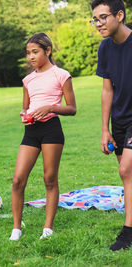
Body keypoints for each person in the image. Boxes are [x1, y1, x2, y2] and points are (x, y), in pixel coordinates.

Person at [9, 33, 77, 241]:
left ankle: (48, 228)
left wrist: (50, 107)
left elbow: (72, 108)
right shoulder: (27, 80)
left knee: (49, 179)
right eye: (28, 53)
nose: (31, 56)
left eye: (35, 52)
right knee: (17, 180)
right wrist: (24, 115)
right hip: (31, 131)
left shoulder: (61, 75)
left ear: (47, 51)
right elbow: (25, 107)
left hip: (51, 130)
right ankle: (16, 228)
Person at [91, 0, 132, 251]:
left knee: (126, 170)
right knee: (129, 176)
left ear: (120, 14)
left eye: (103, 17)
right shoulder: (105, 48)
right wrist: (105, 128)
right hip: (119, 119)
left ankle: (128, 233)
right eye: (95, 19)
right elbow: (107, 90)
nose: (99, 23)